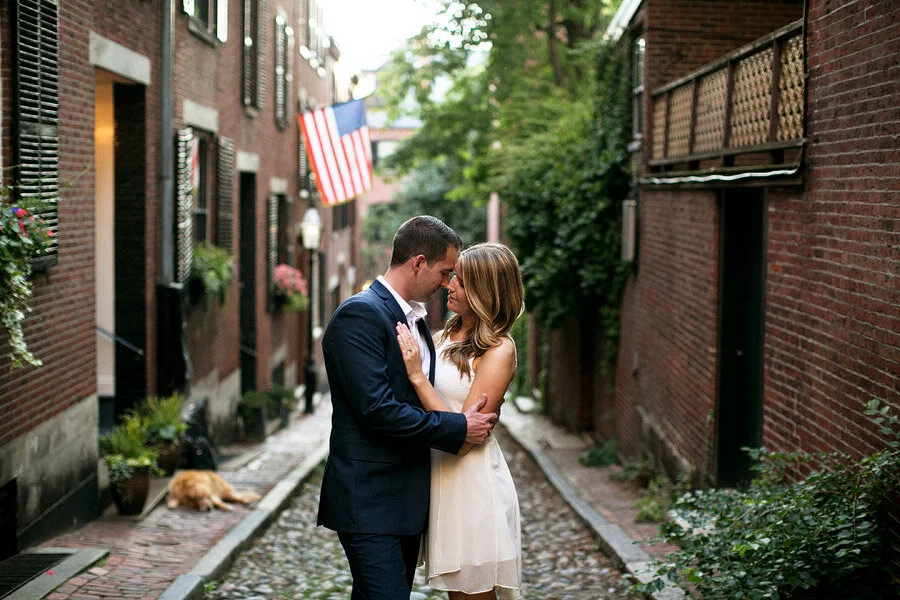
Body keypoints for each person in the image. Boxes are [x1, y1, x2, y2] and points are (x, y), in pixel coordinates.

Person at [317, 216, 499, 600]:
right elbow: (377, 409)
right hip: (370, 499)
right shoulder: (361, 315)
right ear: (418, 262)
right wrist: (457, 428)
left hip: (406, 502)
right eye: (445, 272)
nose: (448, 284)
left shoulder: (413, 319)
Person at [395, 242, 524, 600]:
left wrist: (418, 377)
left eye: (463, 282)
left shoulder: (499, 350)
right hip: (439, 481)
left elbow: (465, 438)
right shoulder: (441, 336)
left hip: (471, 485)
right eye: (453, 277)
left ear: (486, 291)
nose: (450, 285)